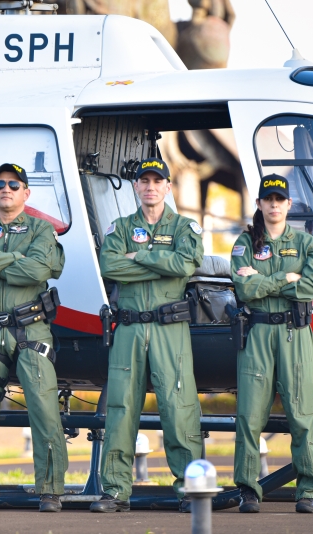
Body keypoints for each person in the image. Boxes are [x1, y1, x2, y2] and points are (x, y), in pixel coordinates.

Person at [91, 157, 204, 514]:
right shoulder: (120, 227)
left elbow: (185, 265)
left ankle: (189, 488)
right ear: (136, 187)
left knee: (178, 407)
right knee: (121, 407)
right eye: (144, 181)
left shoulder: (186, 227)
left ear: (168, 187)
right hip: (128, 328)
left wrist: (138, 255)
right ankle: (115, 490)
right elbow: (110, 265)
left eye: (158, 181)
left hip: (169, 329)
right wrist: (159, 259)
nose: (151, 186)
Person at [0, 163, 67, 513]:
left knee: (44, 410)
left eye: (14, 185)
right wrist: (14, 258)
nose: (7, 189)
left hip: (31, 330)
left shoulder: (41, 229)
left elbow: (37, 270)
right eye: (0, 184)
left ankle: (50, 490)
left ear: (26, 192)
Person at [231, 174, 313, 514]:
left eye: (279, 199)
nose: (273, 204)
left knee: (302, 415)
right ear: (259, 203)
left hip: (294, 334)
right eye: (267, 199)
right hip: (256, 334)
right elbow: (243, 290)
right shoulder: (245, 242)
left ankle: (309, 489)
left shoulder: (306, 244)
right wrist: (285, 278)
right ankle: (248, 489)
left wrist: (262, 281)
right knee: (249, 416)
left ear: (288, 204)